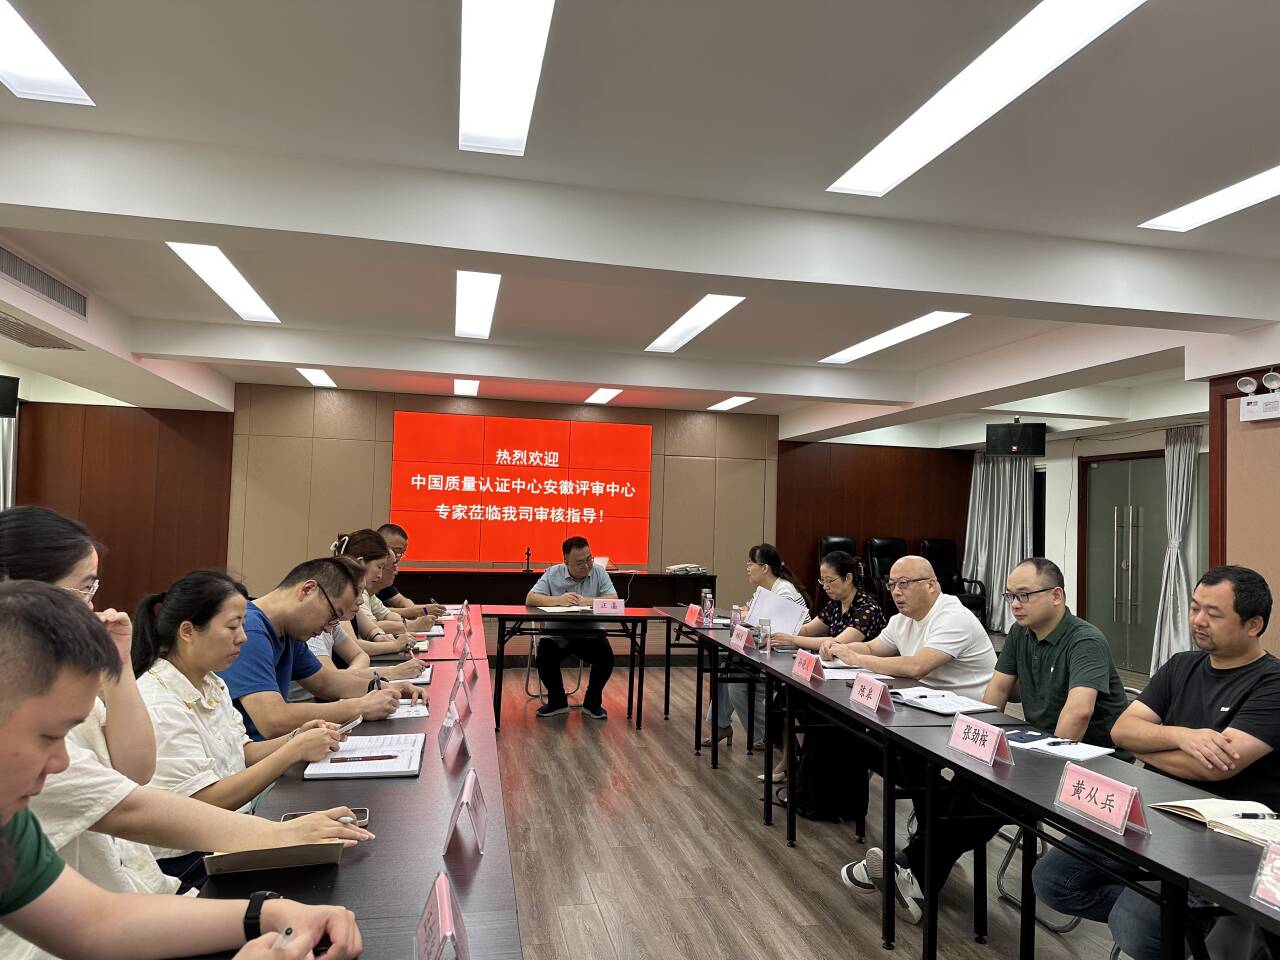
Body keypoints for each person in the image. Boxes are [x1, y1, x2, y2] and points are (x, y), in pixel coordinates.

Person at [0, 507, 367, 939]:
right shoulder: (32, 731)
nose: (91, 605)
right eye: (85, 588)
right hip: (169, 870)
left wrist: (262, 915)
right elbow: (131, 807)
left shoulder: (207, 682)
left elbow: (133, 775)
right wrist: (279, 832)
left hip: (140, 891)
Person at [840, 557, 1129, 922]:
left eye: (1024, 595)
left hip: (1090, 762)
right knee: (968, 785)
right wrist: (982, 744)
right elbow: (997, 692)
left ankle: (909, 867)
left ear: (1056, 596)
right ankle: (914, 877)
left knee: (985, 798)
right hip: (1035, 744)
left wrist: (1039, 770)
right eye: (1010, 596)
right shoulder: (1021, 634)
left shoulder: (1085, 639)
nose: (1015, 605)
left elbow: (1079, 714)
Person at [1034, 565, 1280, 960]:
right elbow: (1121, 731)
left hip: (1220, 842)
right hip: (1152, 814)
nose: (1198, 621)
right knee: (1053, 880)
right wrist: (1182, 736)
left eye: (1213, 613)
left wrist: (1146, 745)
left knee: (1136, 926)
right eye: (1195, 608)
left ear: (1254, 625)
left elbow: (1215, 768)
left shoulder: (1272, 683)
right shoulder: (1181, 665)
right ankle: (1182, 925)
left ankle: (1186, 924)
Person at [133, 570, 347, 863]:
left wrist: (296, 738)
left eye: (243, 626)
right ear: (187, 631)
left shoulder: (212, 682)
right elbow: (203, 803)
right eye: (233, 627)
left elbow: (241, 753)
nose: (243, 638)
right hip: (189, 856)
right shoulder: (159, 702)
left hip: (230, 830)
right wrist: (291, 751)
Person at [835, 554, 997, 924]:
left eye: (904, 583)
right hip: (925, 719)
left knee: (939, 781)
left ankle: (912, 864)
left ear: (932, 585)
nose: (896, 591)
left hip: (966, 726)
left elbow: (915, 666)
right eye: (891, 584)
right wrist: (839, 648)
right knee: (866, 745)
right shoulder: (902, 619)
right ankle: (916, 864)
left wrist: (851, 656)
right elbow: (874, 648)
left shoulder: (952, 616)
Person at [217, 556, 427, 740]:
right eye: (333, 615)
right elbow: (272, 719)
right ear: (308, 590)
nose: (328, 628)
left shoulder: (287, 631)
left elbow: (326, 682)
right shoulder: (250, 631)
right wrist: (360, 707)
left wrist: (384, 687)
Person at [759, 550, 885, 784]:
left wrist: (792, 639)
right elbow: (809, 630)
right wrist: (778, 629)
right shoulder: (835, 605)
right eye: (822, 581)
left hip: (858, 681)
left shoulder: (867, 608)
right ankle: (795, 761)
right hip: (833, 675)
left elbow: (838, 643)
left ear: (848, 578)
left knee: (807, 707)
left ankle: (807, 767)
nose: (825, 586)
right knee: (786, 698)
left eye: (830, 580)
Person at [703, 543, 810, 749]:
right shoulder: (765, 589)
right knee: (726, 671)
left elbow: (776, 628)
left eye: (750, 564)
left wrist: (748, 617)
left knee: (737, 685)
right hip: (768, 648)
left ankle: (767, 736)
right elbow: (749, 614)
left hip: (786, 655)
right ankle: (721, 726)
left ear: (765, 568)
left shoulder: (784, 591)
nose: (747, 568)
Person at [525, 536, 618, 720]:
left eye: (589, 559)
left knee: (606, 658)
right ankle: (557, 702)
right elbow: (530, 598)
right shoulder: (553, 573)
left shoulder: (599, 572)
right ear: (566, 561)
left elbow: (614, 600)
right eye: (580, 562)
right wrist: (558, 600)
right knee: (544, 658)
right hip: (558, 634)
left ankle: (592, 704)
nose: (586, 565)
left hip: (590, 635)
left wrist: (587, 601)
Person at [375, 523, 447, 619]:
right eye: (396, 551)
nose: (397, 558)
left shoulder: (384, 576)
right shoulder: (364, 575)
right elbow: (376, 612)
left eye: (402, 553)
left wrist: (416, 612)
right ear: (378, 545)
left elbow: (401, 601)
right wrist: (420, 611)